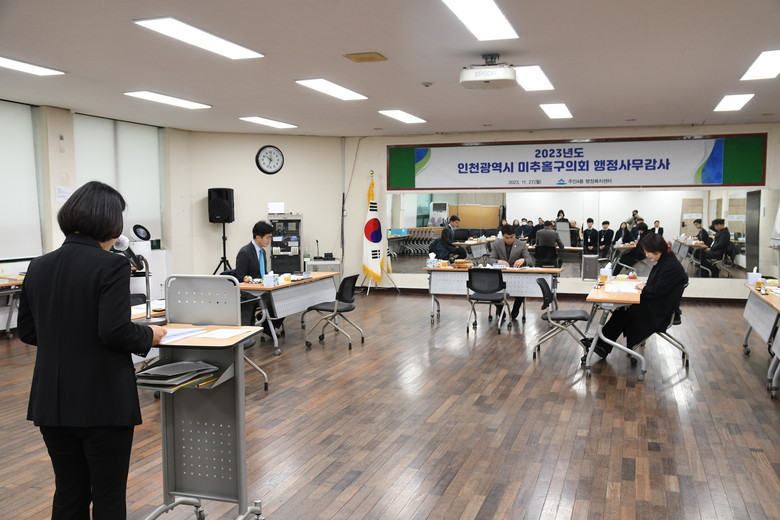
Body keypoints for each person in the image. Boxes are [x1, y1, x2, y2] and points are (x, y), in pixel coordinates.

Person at [17, 181, 167, 520]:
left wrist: (68, 339)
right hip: (101, 401)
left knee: (69, 493)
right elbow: (114, 330)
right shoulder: (111, 265)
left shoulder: (38, 265)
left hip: (51, 402)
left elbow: (27, 331)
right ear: (110, 222)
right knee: (107, 497)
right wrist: (151, 335)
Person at [584, 233, 688, 361]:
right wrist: (644, 287)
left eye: (648, 252)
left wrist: (644, 288)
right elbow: (657, 287)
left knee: (625, 311)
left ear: (657, 249)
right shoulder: (665, 260)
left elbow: (655, 291)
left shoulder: (670, 266)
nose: (646, 255)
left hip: (660, 312)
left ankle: (601, 344)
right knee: (622, 310)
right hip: (658, 304)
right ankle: (602, 344)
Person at [235, 220, 285, 331]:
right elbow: (240, 277)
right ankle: (254, 329)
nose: (269, 241)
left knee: (283, 299)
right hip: (249, 292)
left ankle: (267, 327)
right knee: (272, 300)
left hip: (262, 289)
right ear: (258, 237)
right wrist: (254, 281)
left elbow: (263, 273)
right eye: (268, 238)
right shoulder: (245, 252)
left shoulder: (262, 252)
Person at [489, 224, 535, 319]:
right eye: (506, 237)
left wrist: (523, 260)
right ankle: (500, 308)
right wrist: (498, 261)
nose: (509, 240)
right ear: (502, 236)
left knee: (522, 289)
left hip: (517, 277)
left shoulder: (521, 244)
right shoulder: (497, 244)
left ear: (515, 235)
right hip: (500, 277)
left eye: (512, 237)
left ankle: (516, 309)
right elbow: (490, 260)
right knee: (490, 289)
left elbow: (530, 261)